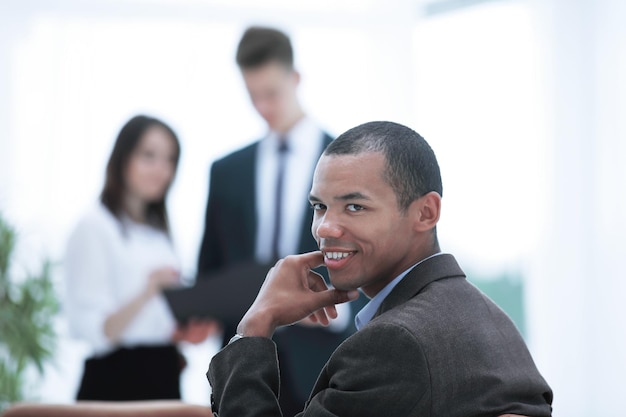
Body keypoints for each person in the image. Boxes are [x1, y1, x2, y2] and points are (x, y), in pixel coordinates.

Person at [207, 121, 554, 416]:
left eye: (355, 206)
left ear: (426, 213)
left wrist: (256, 324)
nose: (324, 228)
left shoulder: (395, 343)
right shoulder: (489, 319)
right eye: (319, 206)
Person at [196, 26, 365, 414]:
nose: (263, 107)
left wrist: (330, 312)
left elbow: (370, 257)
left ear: (296, 79)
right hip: (244, 367)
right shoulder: (225, 171)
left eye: (271, 93)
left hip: (324, 363)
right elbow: (212, 267)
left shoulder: (352, 163)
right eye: (253, 96)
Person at [65, 115, 213, 401]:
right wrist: (149, 291)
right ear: (123, 157)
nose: (161, 169)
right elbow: (99, 331)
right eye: (149, 156)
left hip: (163, 374)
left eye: (170, 160)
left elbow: (151, 323)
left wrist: (179, 332)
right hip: (115, 381)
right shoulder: (95, 226)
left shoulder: (159, 231)